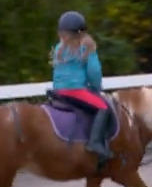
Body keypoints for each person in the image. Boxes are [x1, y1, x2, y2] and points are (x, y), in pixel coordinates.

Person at [48, 11, 112, 168]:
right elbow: (94, 72)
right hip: (76, 91)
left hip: (58, 92)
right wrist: (96, 89)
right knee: (104, 107)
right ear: (81, 30)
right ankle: (95, 143)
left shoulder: (59, 48)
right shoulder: (86, 46)